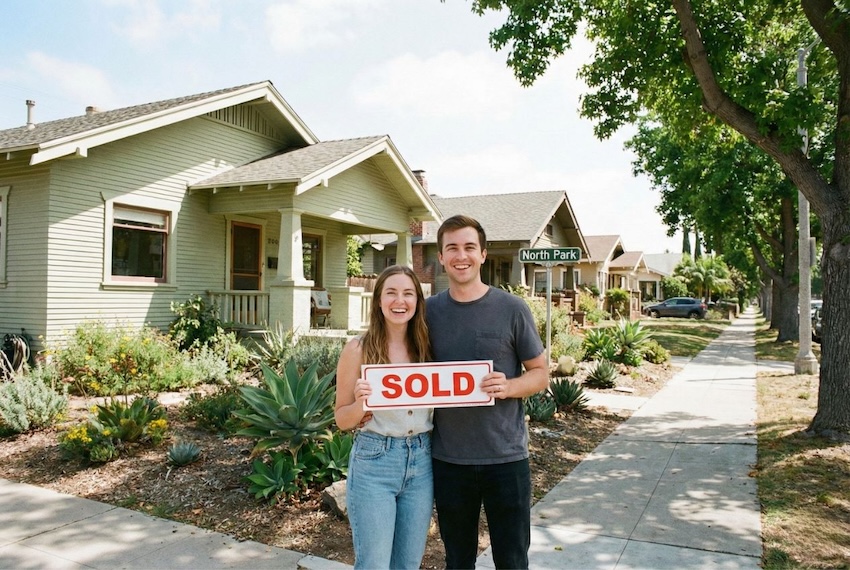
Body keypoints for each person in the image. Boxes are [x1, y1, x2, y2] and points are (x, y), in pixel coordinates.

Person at [426, 214, 549, 570]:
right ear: (441, 256)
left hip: (506, 459)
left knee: (512, 560)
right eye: (452, 248)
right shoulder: (429, 311)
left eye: (468, 247)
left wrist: (509, 386)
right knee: (457, 560)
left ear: (482, 254)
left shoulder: (511, 308)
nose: (460, 255)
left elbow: (540, 373)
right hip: (449, 461)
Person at [334, 264, 434, 570]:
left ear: (417, 301)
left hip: (422, 460)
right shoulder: (358, 349)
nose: (399, 301)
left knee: (407, 564)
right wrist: (362, 405)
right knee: (374, 564)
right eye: (391, 293)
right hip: (375, 461)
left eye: (407, 293)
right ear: (378, 300)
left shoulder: (428, 348)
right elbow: (341, 418)